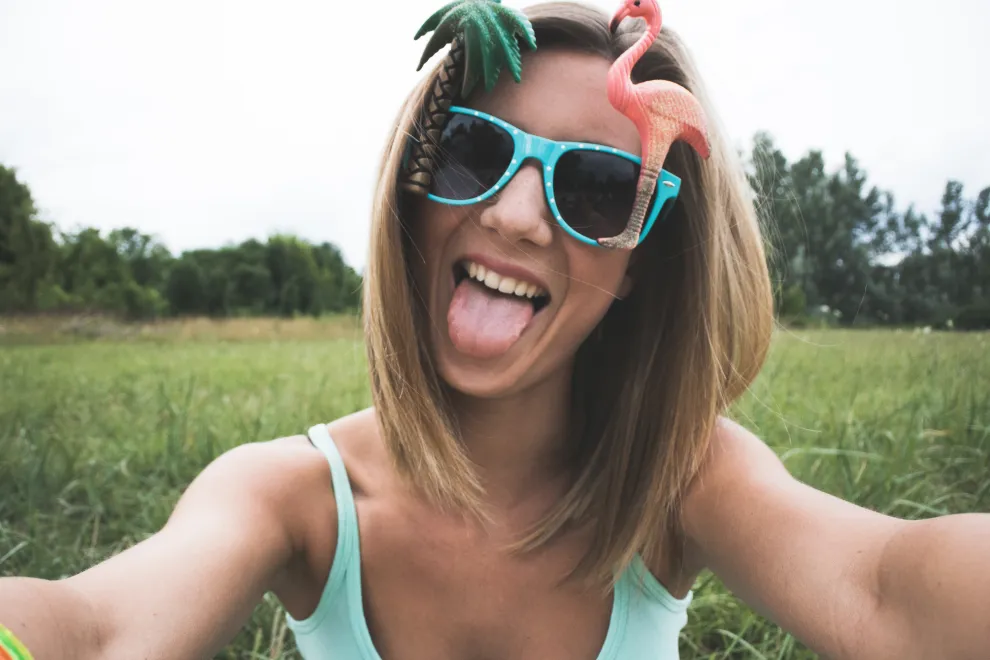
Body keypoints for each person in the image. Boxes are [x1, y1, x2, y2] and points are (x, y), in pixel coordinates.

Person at [1, 1, 988, 658]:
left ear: (642, 261)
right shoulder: (289, 498)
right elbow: (95, 627)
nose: (514, 217)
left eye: (595, 188)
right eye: (473, 151)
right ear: (412, 186)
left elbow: (886, 587)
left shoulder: (680, 481)